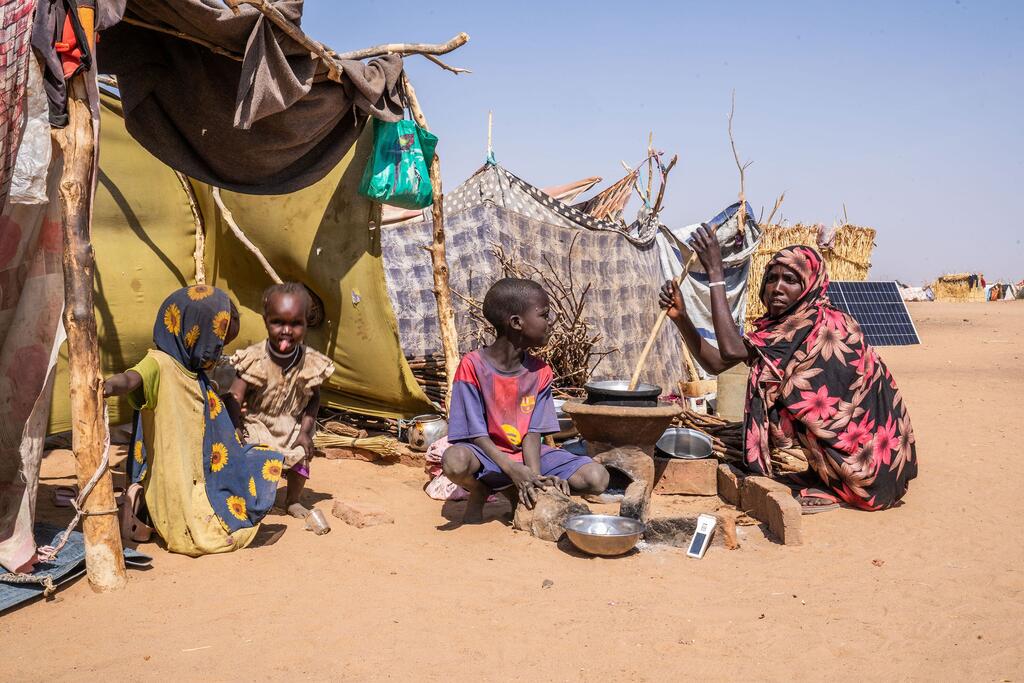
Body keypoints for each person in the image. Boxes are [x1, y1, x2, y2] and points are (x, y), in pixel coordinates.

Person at [660, 226, 917, 512]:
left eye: (790, 280)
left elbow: (730, 351)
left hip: (867, 474)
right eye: (771, 279)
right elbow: (717, 363)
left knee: (785, 397)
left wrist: (716, 275)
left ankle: (834, 482)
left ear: (808, 285)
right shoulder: (788, 327)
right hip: (879, 468)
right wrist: (681, 317)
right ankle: (823, 474)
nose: (777, 287)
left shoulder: (813, 324)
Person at [103, 285, 282, 556]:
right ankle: (142, 505)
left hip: (198, 468)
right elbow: (131, 379)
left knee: (256, 464)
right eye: (217, 342)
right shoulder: (159, 364)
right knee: (202, 532)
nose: (218, 351)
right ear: (193, 331)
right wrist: (106, 387)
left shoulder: (195, 373)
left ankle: (140, 507)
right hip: (175, 469)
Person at [441, 278, 610, 524]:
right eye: (544, 315)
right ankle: (479, 489)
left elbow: (533, 433)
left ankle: (516, 493)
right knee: (454, 462)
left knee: (597, 477)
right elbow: (476, 434)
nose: (550, 323)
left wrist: (534, 478)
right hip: (485, 455)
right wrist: (512, 469)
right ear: (517, 323)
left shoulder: (540, 372)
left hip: (526, 455)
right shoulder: (473, 366)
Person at [228, 283, 334, 521]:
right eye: (278, 322)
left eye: (296, 324)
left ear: (307, 324)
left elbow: (314, 398)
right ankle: (255, 499)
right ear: (266, 321)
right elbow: (235, 395)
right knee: (258, 454)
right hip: (257, 422)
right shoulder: (255, 358)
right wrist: (234, 425)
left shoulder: (310, 362)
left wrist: (306, 431)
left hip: (294, 420)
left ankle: (293, 500)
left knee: (301, 453)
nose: (287, 330)